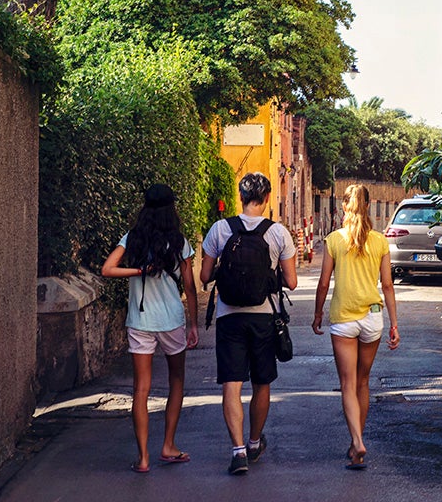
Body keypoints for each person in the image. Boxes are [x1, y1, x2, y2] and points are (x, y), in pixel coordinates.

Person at [200, 172, 298, 475]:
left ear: (240, 196)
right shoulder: (278, 233)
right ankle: (254, 442)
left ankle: (238, 451)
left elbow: (204, 276)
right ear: (267, 198)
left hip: (229, 317)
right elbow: (292, 282)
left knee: (232, 383)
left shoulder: (220, 229)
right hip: (264, 317)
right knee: (261, 382)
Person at [100, 183, 199, 474]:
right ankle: (168, 446)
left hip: (140, 321)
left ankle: (143, 458)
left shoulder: (133, 238)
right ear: (171, 207)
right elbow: (190, 287)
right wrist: (194, 324)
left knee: (140, 389)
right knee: (176, 380)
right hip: (171, 321)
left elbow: (107, 269)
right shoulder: (179, 242)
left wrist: (139, 270)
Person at [311, 183, 399, 471]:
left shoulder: (335, 240)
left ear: (343, 206)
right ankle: (356, 444)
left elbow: (324, 283)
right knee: (363, 382)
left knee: (348, 384)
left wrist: (317, 314)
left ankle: (357, 441)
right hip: (373, 318)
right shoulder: (380, 241)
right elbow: (387, 285)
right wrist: (394, 324)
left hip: (344, 318)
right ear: (369, 206)